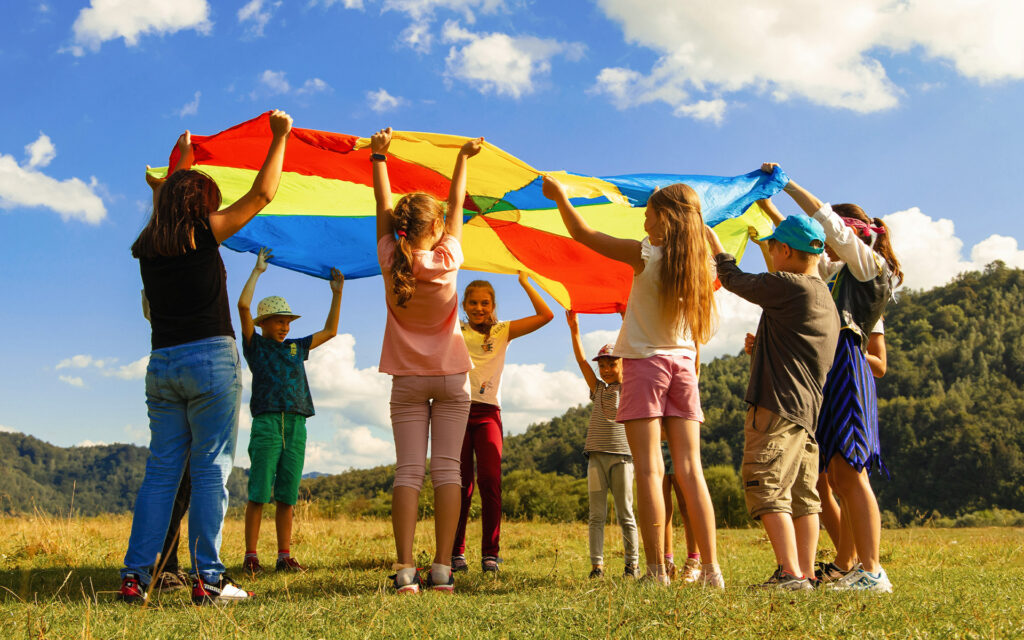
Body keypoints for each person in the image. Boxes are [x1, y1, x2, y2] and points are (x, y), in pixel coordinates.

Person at [120, 109, 293, 605]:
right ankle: (210, 580)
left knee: (161, 472)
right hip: (210, 362)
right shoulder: (203, 233)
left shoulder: (149, 244)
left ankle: (135, 578)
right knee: (211, 469)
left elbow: (166, 203)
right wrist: (278, 137)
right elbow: (262, 194)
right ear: (199, 205)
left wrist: (185, 159)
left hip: (163, 366)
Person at [542, 176, 722, 587]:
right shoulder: (704, 265)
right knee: (692, 470)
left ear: (666, 220)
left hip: (644, 365)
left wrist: (561, 197)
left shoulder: (647, 256)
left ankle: (657, 571)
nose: (644, 216)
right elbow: (716, 251)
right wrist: (704, 231)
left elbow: (583, 233)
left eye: (649, 211)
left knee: (648, 470)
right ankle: (712, 570)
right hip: (684, 367)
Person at [763, 163, 903, 592]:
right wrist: (767, 206)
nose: (825, 247)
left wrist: (786, 185)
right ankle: (856, 566)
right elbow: (802, 248)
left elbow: (822, 221)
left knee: (851, 473)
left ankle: (872, 569)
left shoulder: (867, 265)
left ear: (850, 235)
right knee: (838, 474)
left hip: (849, 366)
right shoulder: (836, 272)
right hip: (828, 368)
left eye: (833, 238)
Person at [372, 127, 483, 593]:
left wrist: (379, 157)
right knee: (448, 472)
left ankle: (403, 570)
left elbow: (381, 210)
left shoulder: (389, 257)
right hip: (452, 378)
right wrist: (462, 158)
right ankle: (441, 569)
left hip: (407, 381)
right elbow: (458, 206)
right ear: (436, 230)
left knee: (408, 472)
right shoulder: (449, 258)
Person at [707, 211, 840, 590]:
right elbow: (799, 351)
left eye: (771, 248)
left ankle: (789, 572)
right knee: (802, 495)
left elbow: (733, 279)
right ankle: (807, 573)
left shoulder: (791, 285)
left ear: (784, 249)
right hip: (805, 412)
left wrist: (716, 247)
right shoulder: (822, 297)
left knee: (766, 483)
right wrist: (762, 347)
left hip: (777, 406)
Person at [237, 247, 344, 575]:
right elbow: (242, 306)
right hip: (267, 422)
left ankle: (284, 555)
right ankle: (251, 556)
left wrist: (337, 293)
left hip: (297, 422)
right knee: (258, 492)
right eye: (278, 322)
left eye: (287, 321)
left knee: (287, 495)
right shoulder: (255, 346)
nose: (284, 326)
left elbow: (330, 332)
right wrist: (257, 272)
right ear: (264, 324)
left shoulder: (297, 347)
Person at [451, 275, 553, 573]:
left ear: (493, 305)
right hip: (457, 411)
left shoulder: (502, 331)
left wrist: (526, 281)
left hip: (488, 414)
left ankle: (490, 555)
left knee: (490, 481)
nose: (479, 307)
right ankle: (456, 552)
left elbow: (546, 315)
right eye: (473, 302)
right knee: (460, 486)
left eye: (485, 302)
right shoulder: (454, 329)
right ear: (464, 305)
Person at [566, 312, 640, 580]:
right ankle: (597, 566)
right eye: (604, 366)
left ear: (623, 364)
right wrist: (575, 329)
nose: (607, 369)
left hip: (622, 458)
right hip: (596, 459)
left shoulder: (630, 386)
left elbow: (635, 349)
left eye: (612, 364)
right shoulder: (597, 389)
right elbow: (582, 361)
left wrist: (627, 319)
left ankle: (632, 565)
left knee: (625, 513)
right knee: (596, 515)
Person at [661, 437, 701, 582]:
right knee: (661, 508)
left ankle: (693, 562)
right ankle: (666, 563)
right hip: (656, 444)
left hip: (679, 442)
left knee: (686, 505)